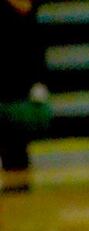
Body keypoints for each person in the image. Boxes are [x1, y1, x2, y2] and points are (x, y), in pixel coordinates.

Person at [0, 0, 50, 193]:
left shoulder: (25, 26)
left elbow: (25, 7)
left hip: (19, 94)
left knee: (15, 140)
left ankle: (18, 181)